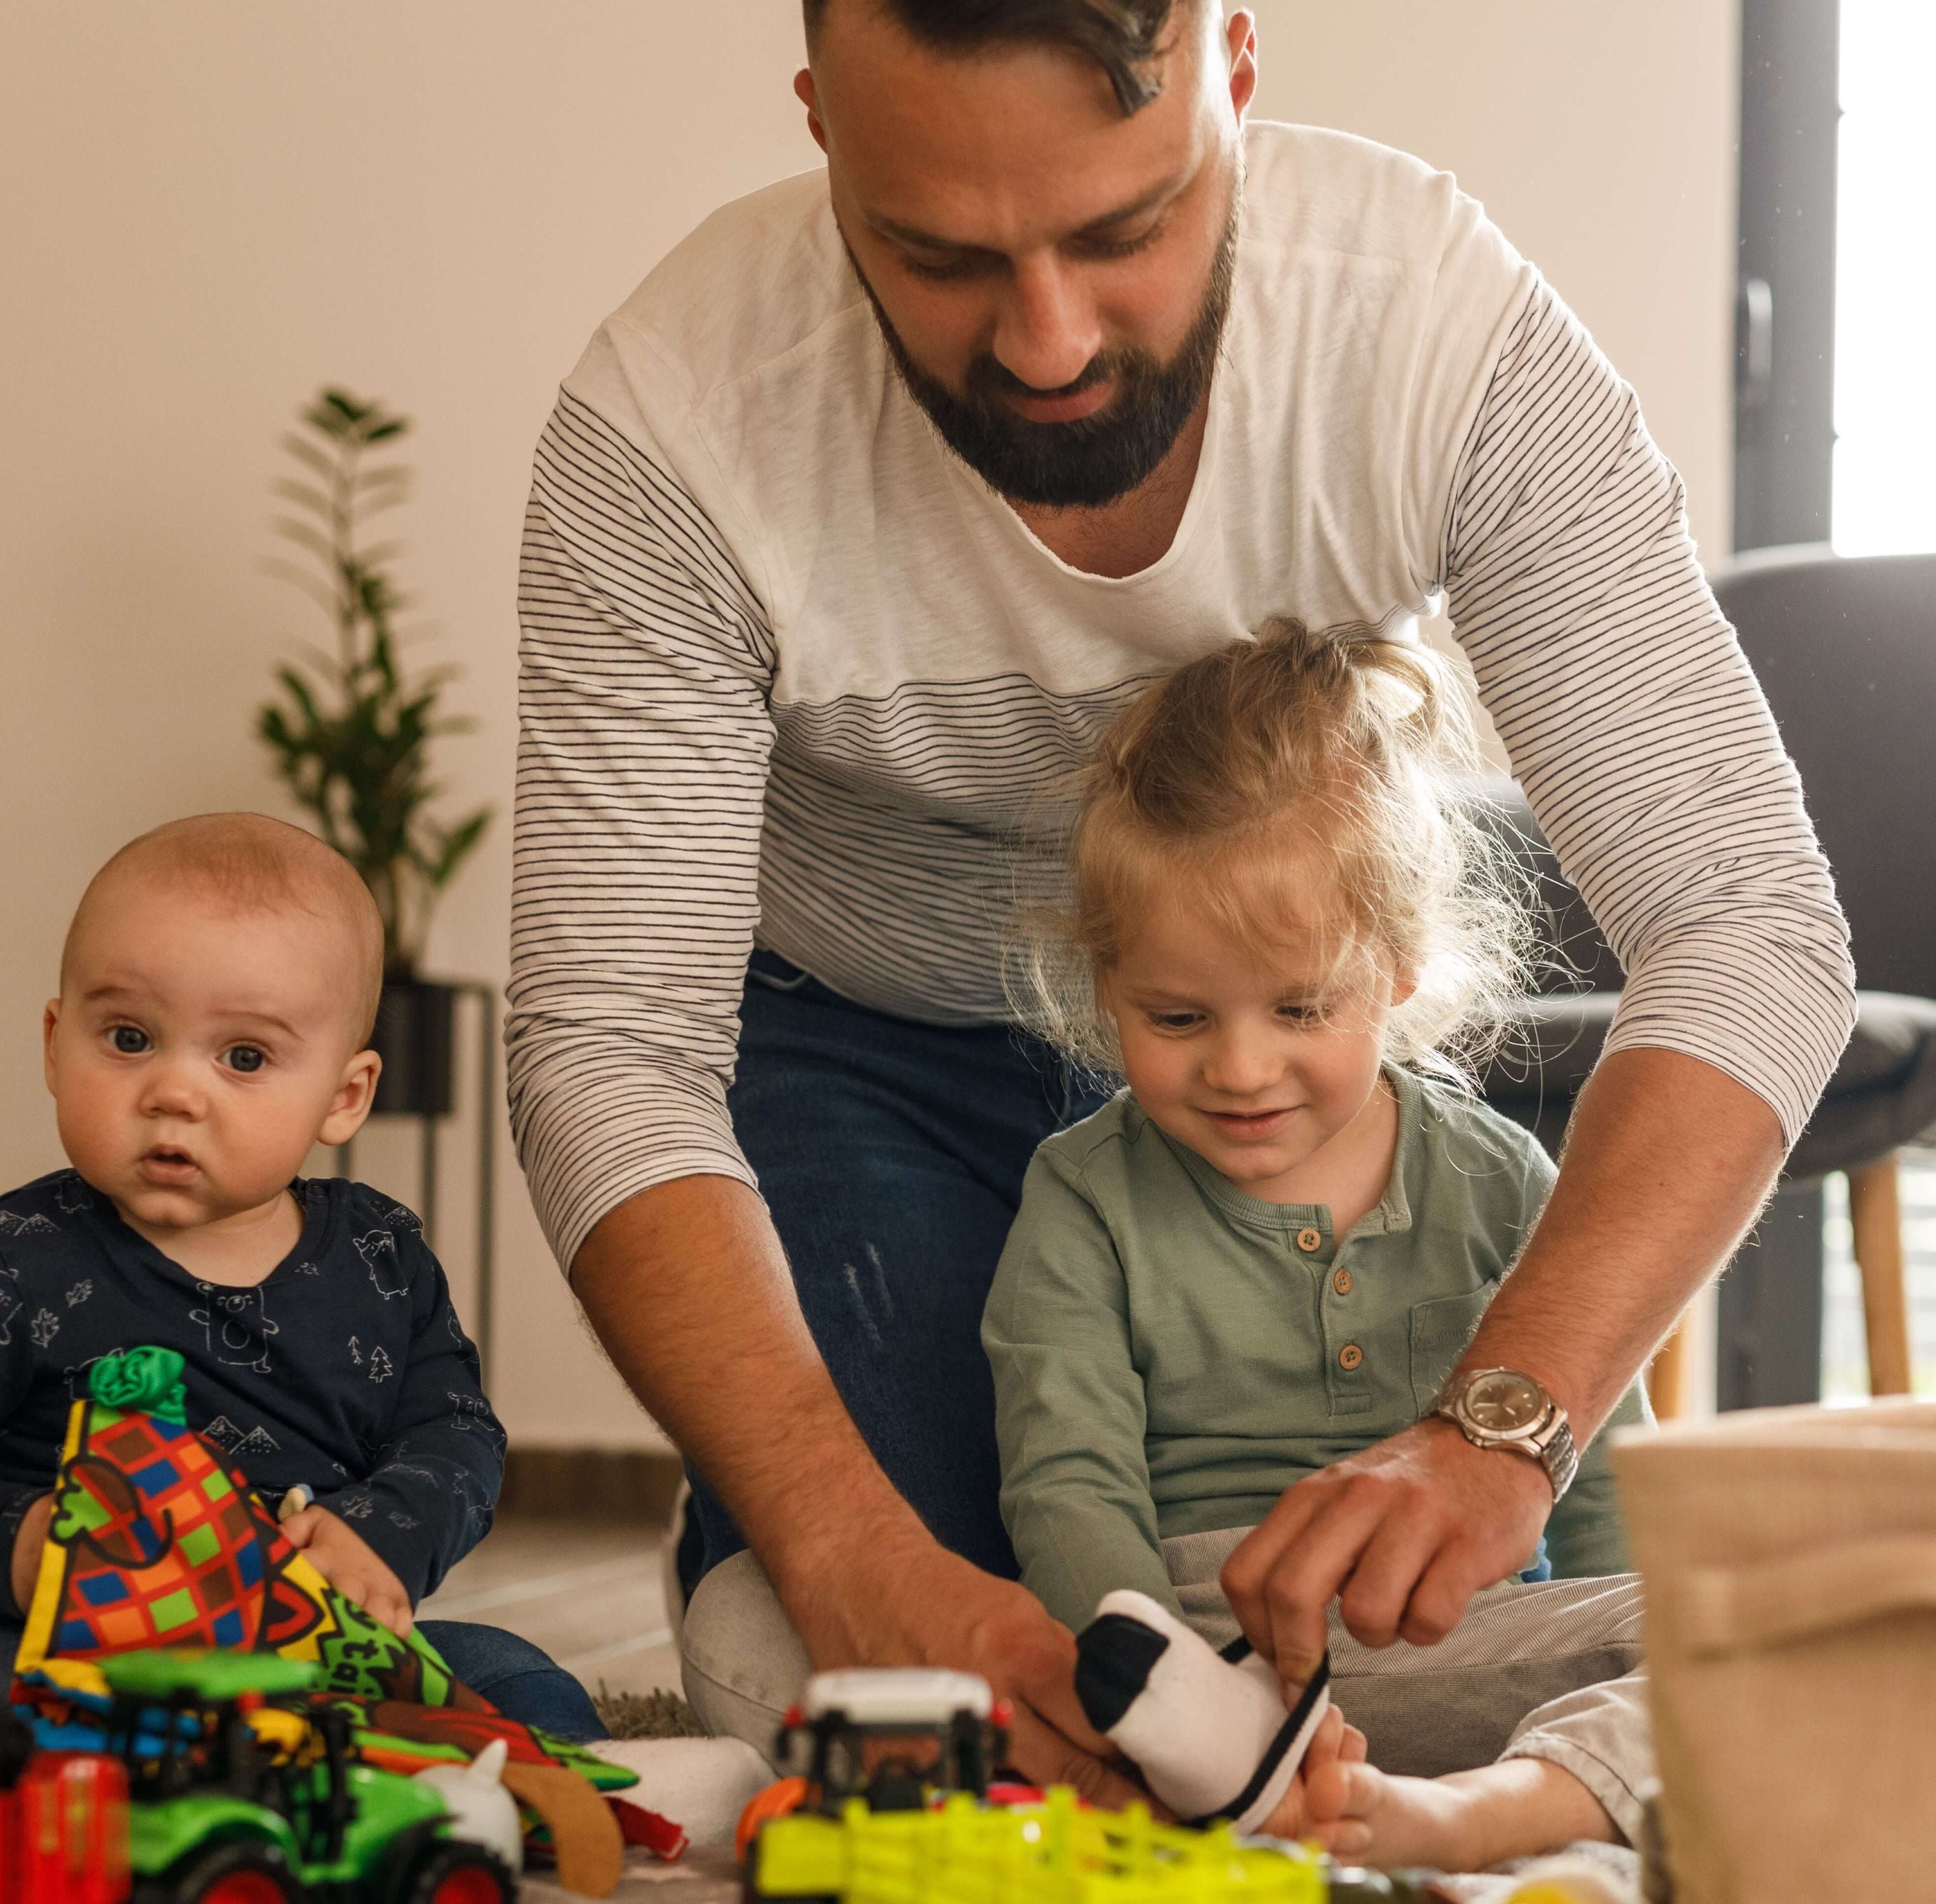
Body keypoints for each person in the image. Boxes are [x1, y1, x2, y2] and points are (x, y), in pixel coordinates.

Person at [508, 0, 1851, 1788]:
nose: (1049, 341)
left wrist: (1498, 1426)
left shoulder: (1431, 326)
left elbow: (1746, 920)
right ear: (821, 124)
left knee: (1394, 1609)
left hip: (1281, 1071)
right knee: (926, 1644)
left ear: (1233, 68)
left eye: (1125, 229)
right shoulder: (674, 422)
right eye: (938, 255)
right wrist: (847, 1547)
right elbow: (609, 1049)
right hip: (861, 1055)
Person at [987, 621, 1646, 1867]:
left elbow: (1595, 1467)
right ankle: (1376, 1810)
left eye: (1299, 1008)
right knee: (750, 1624)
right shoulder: (1080, 1195)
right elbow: (1066, 1483)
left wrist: (1598, 1631)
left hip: (1471, 1648)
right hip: (1207, 1664)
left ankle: (1465, 1816)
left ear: (1399, 965)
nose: (1239, 1070)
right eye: (1176, 1016)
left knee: (1746, 1633)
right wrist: (1158, 1680)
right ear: (1104, 984)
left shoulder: (1500, 1174)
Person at [0, 813, 602, 1741]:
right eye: (129, 1038)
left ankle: (562, 1793)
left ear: (344, 1097)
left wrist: (378, 1535)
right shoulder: (10, 1254)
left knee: (515, 1677)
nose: (175, 1092)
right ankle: (201, 1794)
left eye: (244, 1057)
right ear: (54, 1043)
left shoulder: (382, 1260)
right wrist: (16, 1545)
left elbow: (456, 1434)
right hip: (47, 1644)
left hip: (304, 1642)